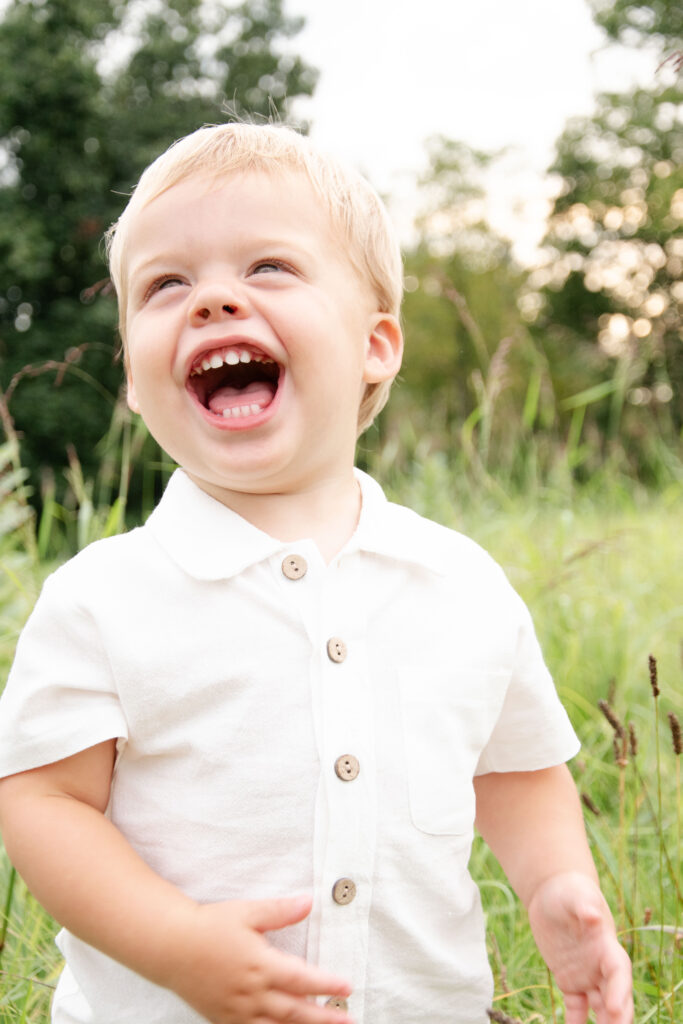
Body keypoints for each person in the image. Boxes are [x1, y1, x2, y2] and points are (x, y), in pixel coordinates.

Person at [0, 122, 632, 1024]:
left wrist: (555, 886)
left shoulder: (459, 586)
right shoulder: (104, 600)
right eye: (166, 284)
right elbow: (44, 804)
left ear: (376, 344)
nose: (213, 300)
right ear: (135, 383)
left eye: (267, 269)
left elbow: (518, 771)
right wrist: (175, 945)